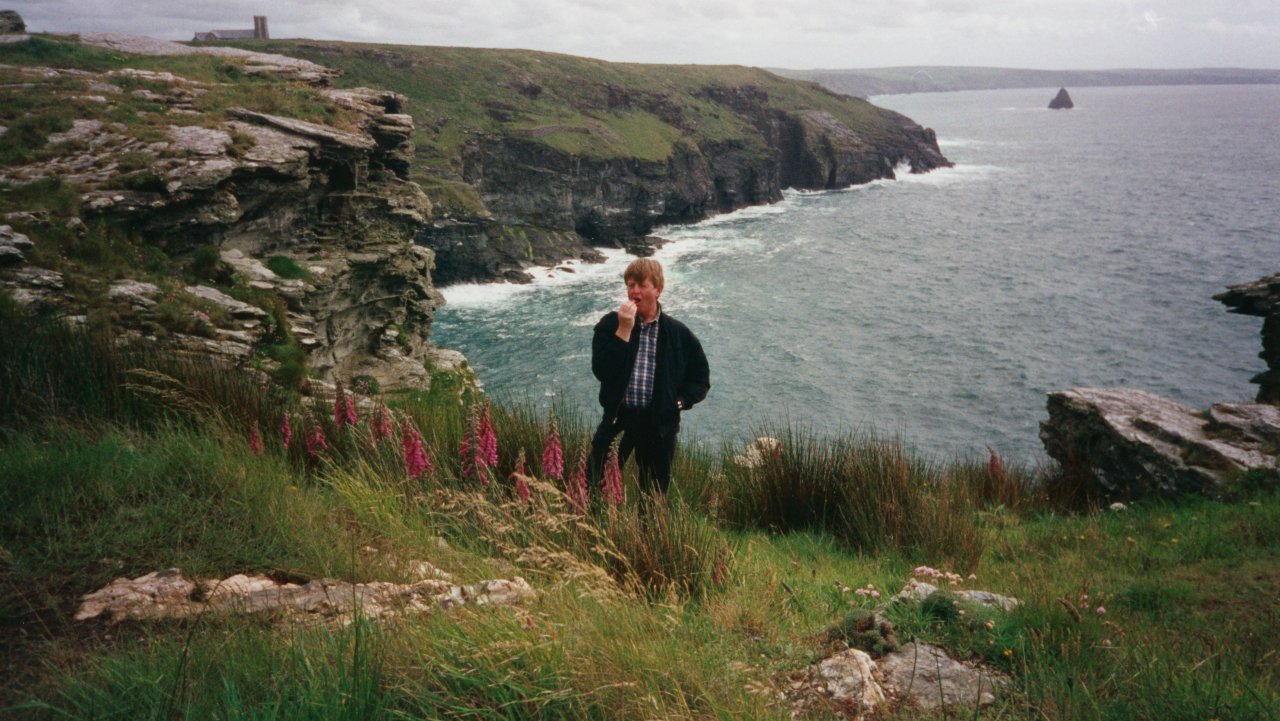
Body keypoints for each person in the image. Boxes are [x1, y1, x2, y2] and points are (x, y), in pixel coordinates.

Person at [589, 258, 710, 493]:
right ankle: (593, 528)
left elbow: (700, 378)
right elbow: (601, 371)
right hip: (617, 419)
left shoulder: (678, 333)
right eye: (630, 285)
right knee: (594, 485)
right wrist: (623, 330)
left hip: (659, 424)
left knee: (653, 497)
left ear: (658, 290)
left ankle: (646, 531)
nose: (634, 291)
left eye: (641, 285)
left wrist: (679, 402)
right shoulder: (610, 324)